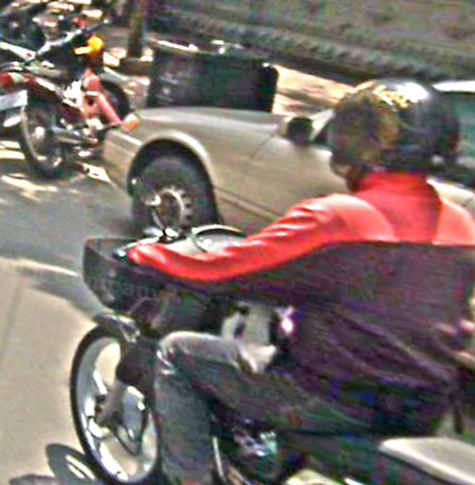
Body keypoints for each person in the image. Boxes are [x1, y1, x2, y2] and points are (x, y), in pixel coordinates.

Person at [126, 78, 475, 485]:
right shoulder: (461, 226)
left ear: (357, 142)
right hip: (424, 405)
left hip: (329, 397)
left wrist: (153, 256)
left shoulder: (337, 218)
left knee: (177, 353)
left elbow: (224, 271)